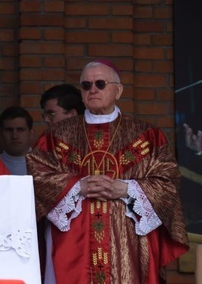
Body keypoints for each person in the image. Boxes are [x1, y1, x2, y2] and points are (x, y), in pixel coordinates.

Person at [27, 59, 188, 284]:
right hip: (73, 242)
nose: (92, 89)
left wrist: (126, 188)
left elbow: (168, 181)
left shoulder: (147, 135)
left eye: (100, 84)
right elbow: (37, 176)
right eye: (86, 85)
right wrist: (77, 186)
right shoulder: (56, 136)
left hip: (127, 238)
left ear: (118, 90)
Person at [0, 106, 34, 175]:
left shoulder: (45, 165)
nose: (14, 136)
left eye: (20, 130)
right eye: (9, 130)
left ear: (31, 133)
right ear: (0, 134)